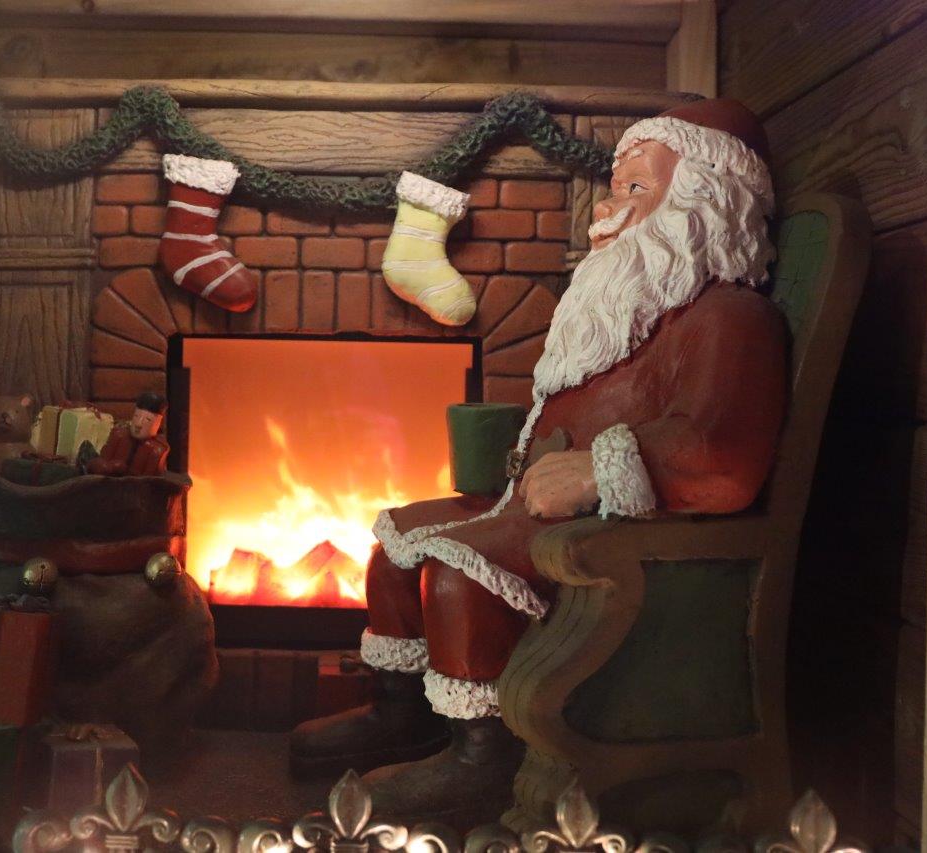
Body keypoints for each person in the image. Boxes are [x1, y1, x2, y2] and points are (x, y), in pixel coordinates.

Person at [290, 98, 788, 824]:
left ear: (703, 202)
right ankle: (403, 714)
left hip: (606, 528)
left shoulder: (729, 319)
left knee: (458, 572)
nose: (607, 210)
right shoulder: (624, 310)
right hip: (532, 500)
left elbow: (724, 455)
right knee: (396, 541)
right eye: (613, 188)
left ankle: (481, 759)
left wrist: (598, 470)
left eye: (636, 188)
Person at [86, 391, 170, 477]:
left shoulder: (157, 450)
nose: (138, 424)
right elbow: (101, 461)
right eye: (136, 416)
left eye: (147, 420)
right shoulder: (118, 436)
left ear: (157, 423)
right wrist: (106, 467)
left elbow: (152, 480)